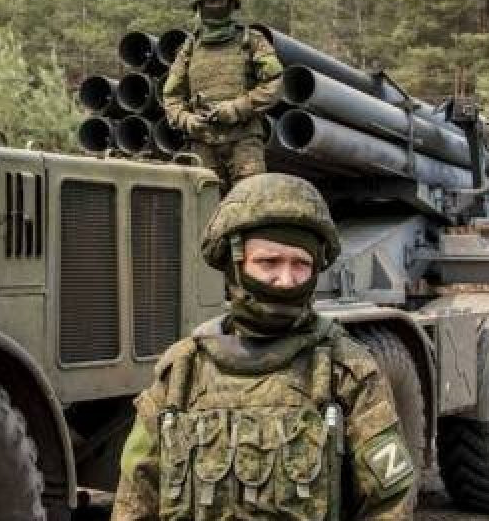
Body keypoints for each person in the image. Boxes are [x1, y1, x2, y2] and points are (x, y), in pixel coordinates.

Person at [112, 173, 416, 520]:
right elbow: (135, 497)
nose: (286, 280)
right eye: (269, 262)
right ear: (235, 263)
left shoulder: (346, 371)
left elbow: (390, 503)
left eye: (300, 264)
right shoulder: (183, 371)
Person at [162, 0, 283, 193]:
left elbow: (274, 84)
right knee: (204, 204)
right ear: (200, 6)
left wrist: (236, 108)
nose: (215, 6)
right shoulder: (190, 48)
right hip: (203, 145)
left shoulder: (252, 41)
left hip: (244, 142)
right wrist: (187, 120)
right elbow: (171, 96)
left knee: (251, 201)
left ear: (232, 4)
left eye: (220, 1)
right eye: (209, 1)